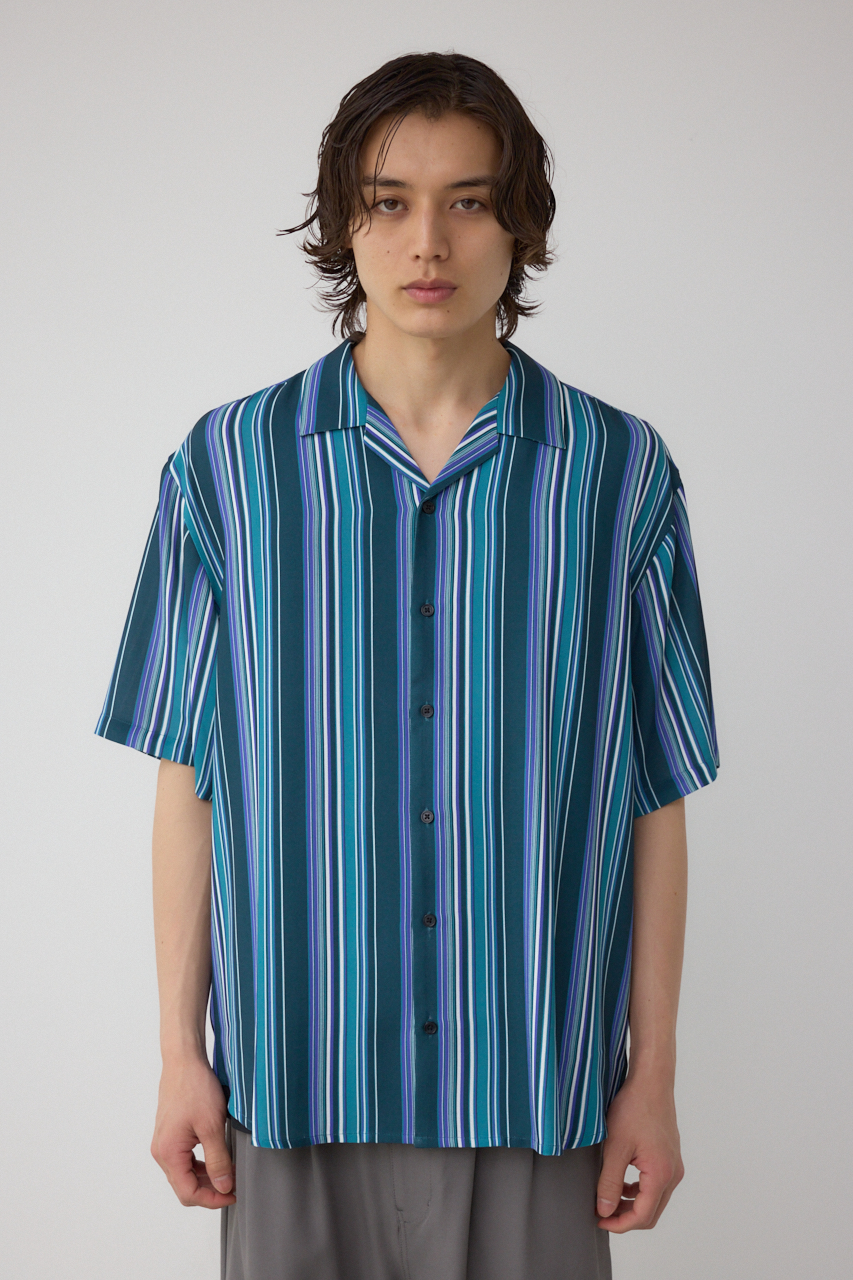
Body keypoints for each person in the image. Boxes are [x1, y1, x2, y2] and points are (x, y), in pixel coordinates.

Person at [95, 50, 719, 1280]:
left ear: (519, 222)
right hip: (294, 1081)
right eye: (389, 201)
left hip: (533, 1090)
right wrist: (178, 1052)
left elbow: (652, 792)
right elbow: (188, 778)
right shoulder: (229, 468)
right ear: (343, 219)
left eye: (468, 200)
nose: (427, 241)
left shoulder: (617, 474)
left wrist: (651, 1074)